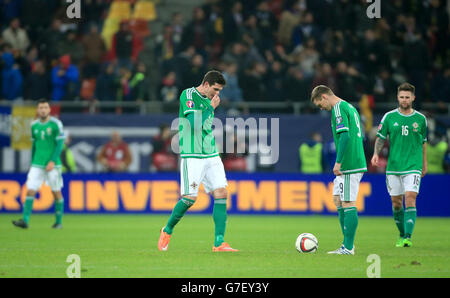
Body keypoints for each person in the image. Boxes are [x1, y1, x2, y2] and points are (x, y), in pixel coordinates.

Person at [158, 70, 238, 252]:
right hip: (191, 154)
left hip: (210, 153)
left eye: (220, 91)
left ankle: (219, 243)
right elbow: (194, 124)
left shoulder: (211, 99)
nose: (217, 94)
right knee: (189, 199)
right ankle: (167, 229)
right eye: (216, 89)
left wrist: (210, 106)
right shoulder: (188, 95)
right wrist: (211, 107)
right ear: (207, 84)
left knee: (221, 193)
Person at [311, 85, 367, 255]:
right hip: (353, 160)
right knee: (337, 199)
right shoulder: (349, 106)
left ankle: (348, 247)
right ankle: (346, 244)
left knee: (348, 203)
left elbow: (345, 135)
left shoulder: (338, 109)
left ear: (324, 97)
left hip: (349, 164)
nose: (322, 108)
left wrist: (339, 162)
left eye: (320, 104)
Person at [371, 83, 428, 248]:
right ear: (398, 98)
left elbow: (423, 143)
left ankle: (408, 237)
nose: (404, 100)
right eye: (402, 97)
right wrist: (376, 153)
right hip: (394, 166)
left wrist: (424, 164)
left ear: (413, 98)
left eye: (407, 97)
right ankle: (402, 234)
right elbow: (381, 138)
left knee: (410, 197)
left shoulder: (421, 119)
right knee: (396, 202)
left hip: (413, 164)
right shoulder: (389, 117)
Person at [12, 99, 65, 229]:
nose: (43, 110)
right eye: (40, 108)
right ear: (37, 110)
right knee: (30, 190)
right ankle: (25, 220)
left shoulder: (56, 124)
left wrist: (52, 161)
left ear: (49, 109)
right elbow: (34, 145)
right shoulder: (34, 125)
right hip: (37, 164)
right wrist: (31, 162)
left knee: (56, 192)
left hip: (53, 165)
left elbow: (59, 145)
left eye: (45, 107)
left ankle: (58, 222)